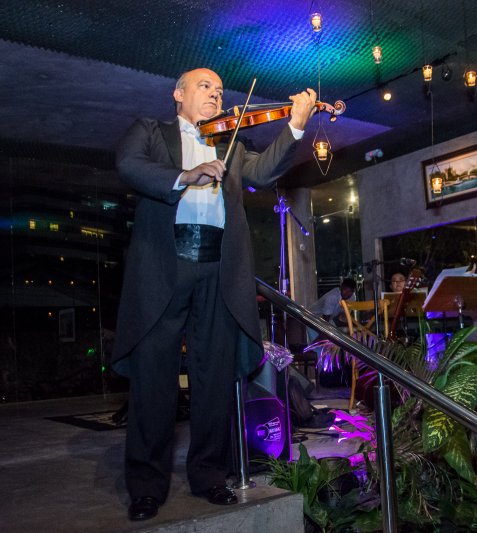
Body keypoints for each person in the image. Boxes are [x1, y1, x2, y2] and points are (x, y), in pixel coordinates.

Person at [111, 67, 317, 522]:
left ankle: (208, 475)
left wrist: (296, 123)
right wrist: (188, 174)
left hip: (219, 270)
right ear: (178, 94)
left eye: (221, 91)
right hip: (166, 266)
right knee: (153, 380)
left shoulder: (232, 144)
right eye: (206, 86)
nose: (216, 95)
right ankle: (146, 486)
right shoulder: (151, 132)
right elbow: (129, 165)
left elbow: (264, 172)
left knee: (214, 382)